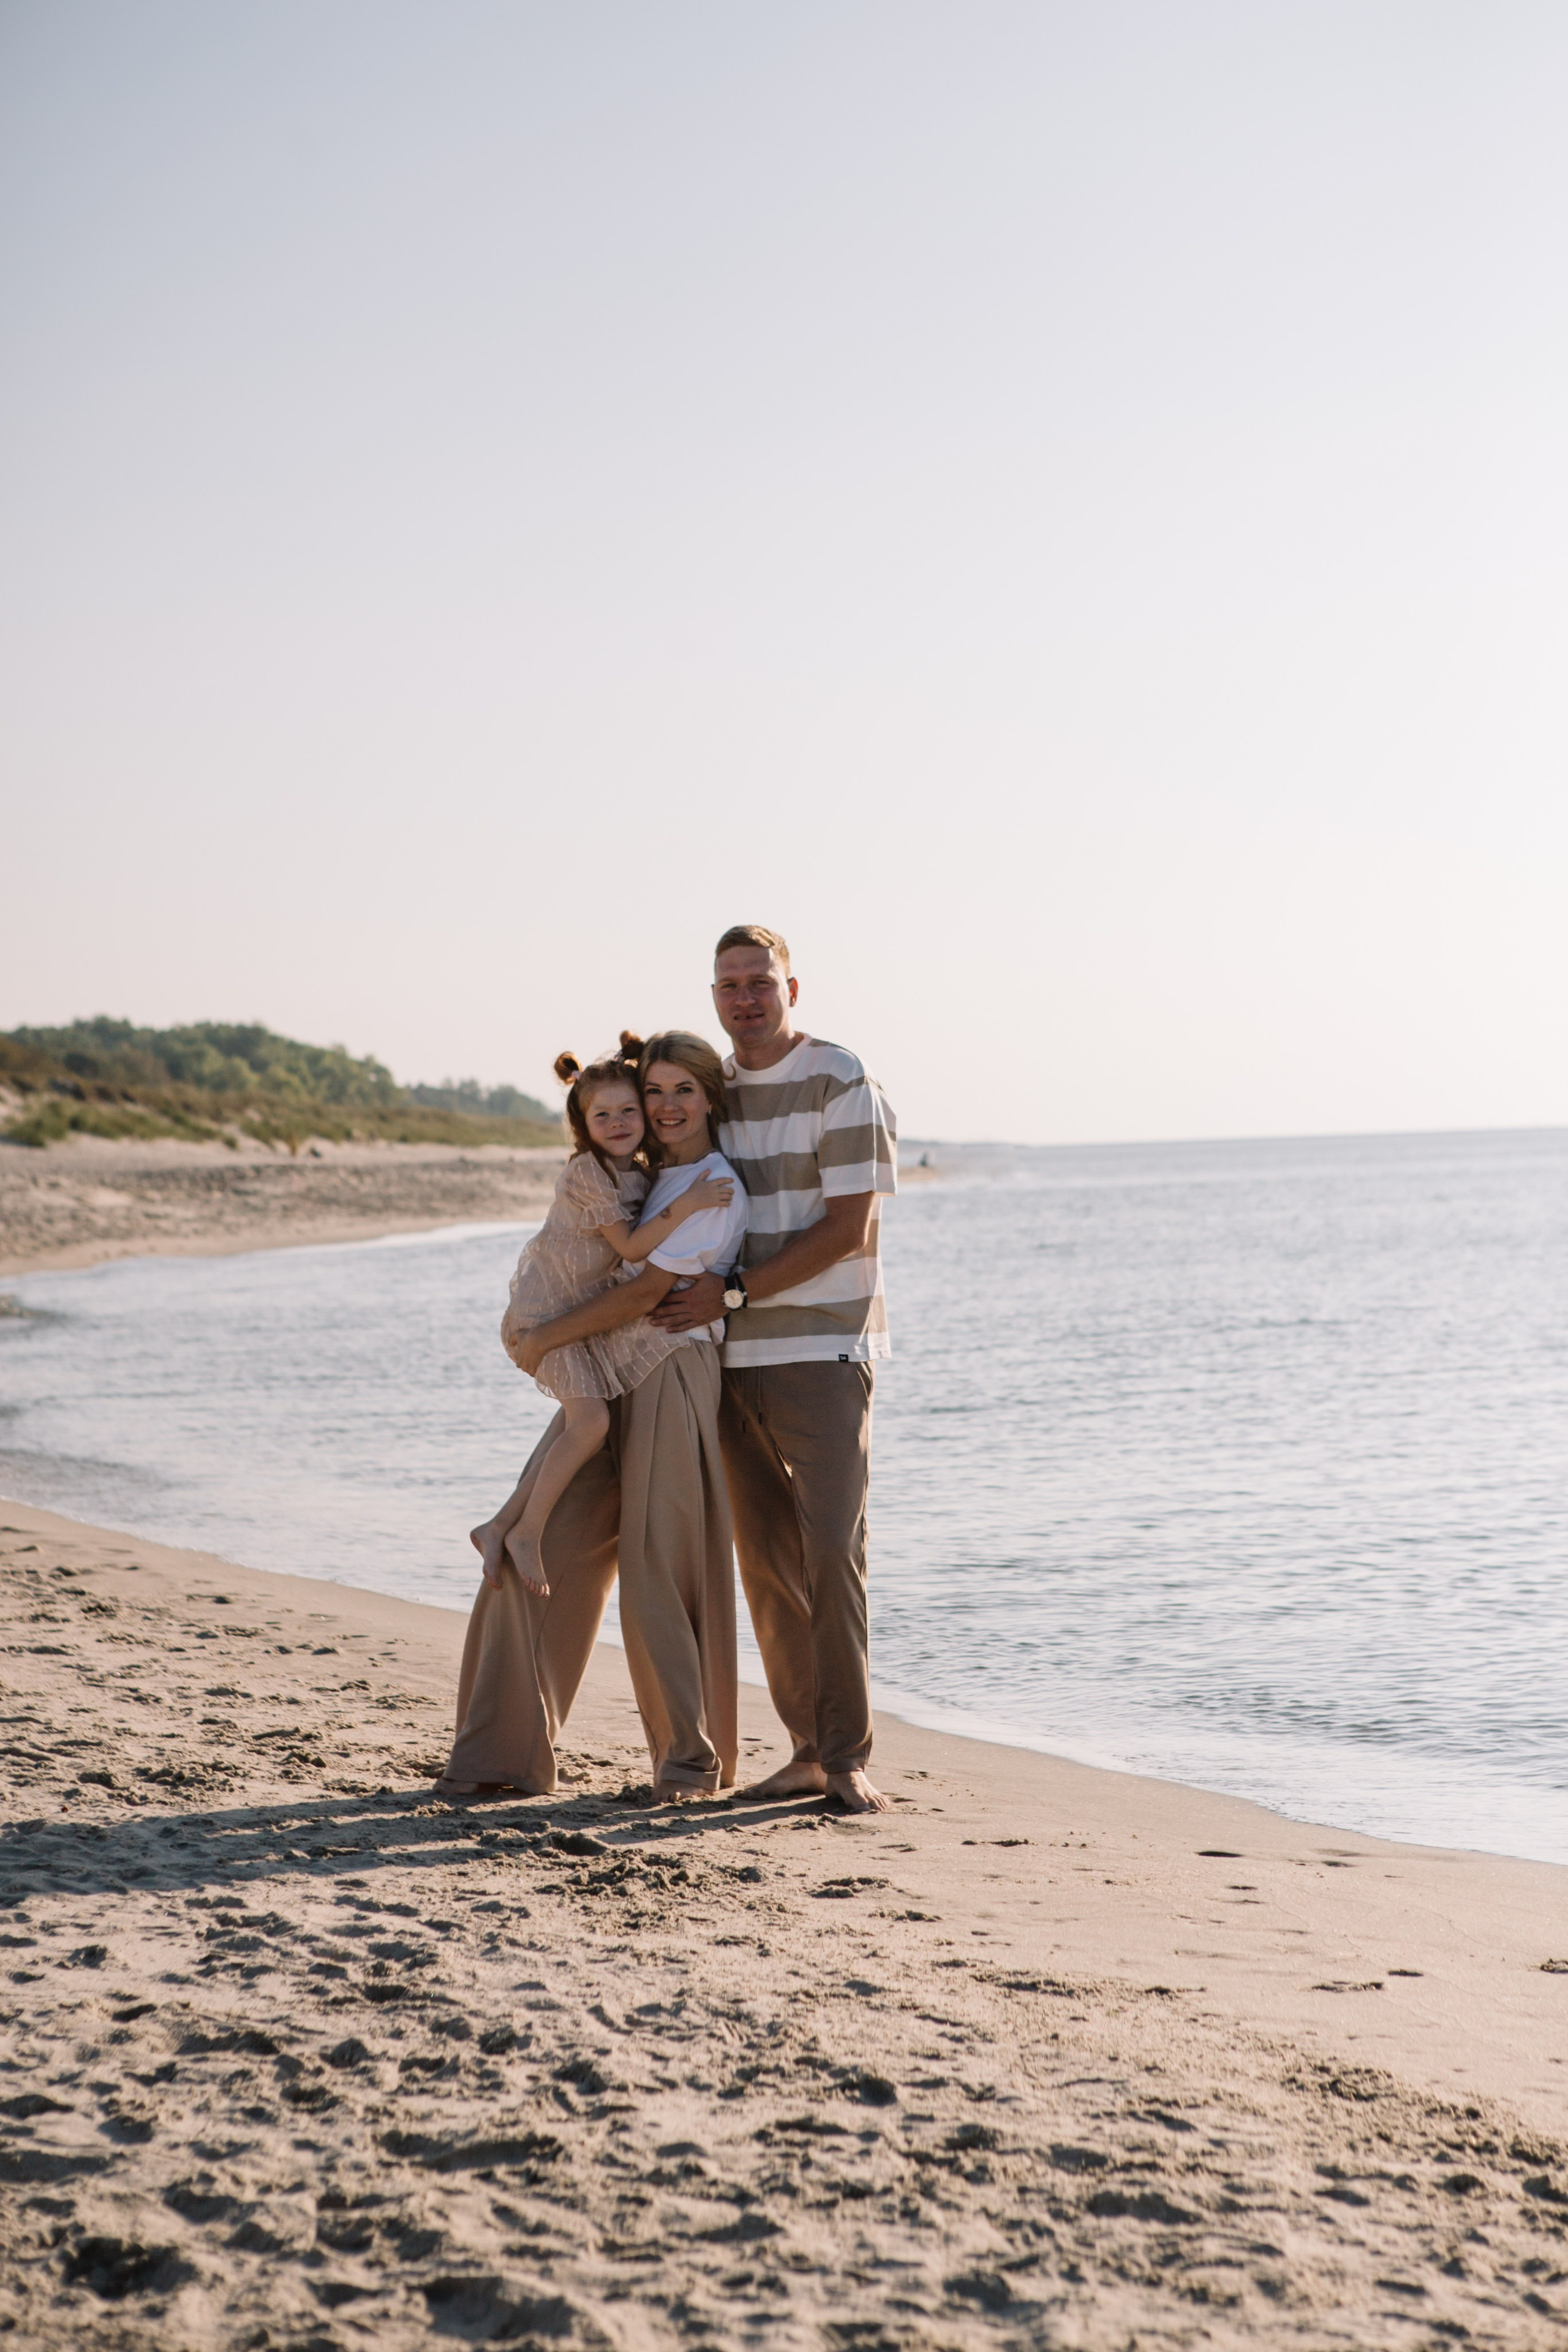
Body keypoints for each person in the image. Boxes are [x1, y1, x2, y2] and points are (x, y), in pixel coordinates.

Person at [435, 1035, 729, 1800]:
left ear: (710, 1097)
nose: (659, 1109)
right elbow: (620, 1268)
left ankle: (686, 1760)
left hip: (658, 1360)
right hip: (601, 1355)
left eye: (677, 1093)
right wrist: (546, 1337)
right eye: (650, 1094)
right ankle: (500, 1753)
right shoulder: (636, 1176)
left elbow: (645, 1290)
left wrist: (546, 1338)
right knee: (556, 1522)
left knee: (659, 1566)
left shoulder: (710, 1182)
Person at [651, 926, 896, 1814]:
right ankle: (806, 1752)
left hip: (822, 1348)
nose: (745, 998)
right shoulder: (710, 1090)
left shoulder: (839, 1078)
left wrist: (734, 1291)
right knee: (765, 1563)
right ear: (713, 996)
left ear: (792, 988)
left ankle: (848, 1757)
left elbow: (849, 1230)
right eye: (729, 985)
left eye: (760, 981)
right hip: (724, 1358)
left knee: (831, 1551)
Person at [476, 1039, 733, 1597]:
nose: (617, 1123)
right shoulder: (589, 1175)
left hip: (577, 1318)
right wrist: (689, 1203)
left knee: (580, 1426)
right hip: (547, 1316)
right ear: (582, 1127)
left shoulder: (638, 1174)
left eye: (628, 1111)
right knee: (590, 1425)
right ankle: (526, 1532)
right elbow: (635, 1248)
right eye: (602, 1116)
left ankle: (498, 1526)